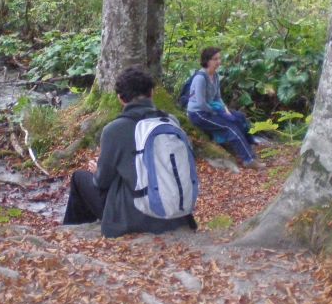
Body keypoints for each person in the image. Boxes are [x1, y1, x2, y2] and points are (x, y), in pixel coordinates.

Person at [62, 67, 197, 238]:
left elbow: (102, 182)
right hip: (176, 214)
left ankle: (71, 234)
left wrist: (97, 169)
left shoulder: (114, 130)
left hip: (134, 218)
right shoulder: (170, 121)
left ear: (120, 98)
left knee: (79, 178)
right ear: (152, 93)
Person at [186, 47, 264, 169]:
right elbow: (201, 103)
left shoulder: (215, 75)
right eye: (215, 59)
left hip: (212, 109)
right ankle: (248, 160)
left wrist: (225, 109)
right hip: (199, 114)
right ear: (207, 61)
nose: (218, 61)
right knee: (229, 127)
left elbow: (218, 97)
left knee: (239, 117)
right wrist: (218, 113)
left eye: (219, 58)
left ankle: (250, 149)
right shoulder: (200, 78)